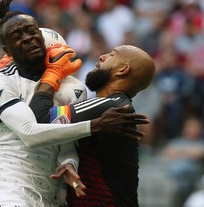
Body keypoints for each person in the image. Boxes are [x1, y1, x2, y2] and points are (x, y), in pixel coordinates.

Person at [0, 0, 150, 207]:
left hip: (51, 198)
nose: (28, 39)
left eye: (32, 32)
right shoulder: (0, 81)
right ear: (8, 51)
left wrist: (68, 161)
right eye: (17, 36)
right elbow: (32, 130)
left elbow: (65, 143)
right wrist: (93, 128)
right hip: (9, 189)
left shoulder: (78, 90)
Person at [29, 45, 156, 206]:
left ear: (122, 70)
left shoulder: (111, 106)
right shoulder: (116, 107)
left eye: (111, 55)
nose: (101, 56)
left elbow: (39, 119)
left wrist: (51, 75)